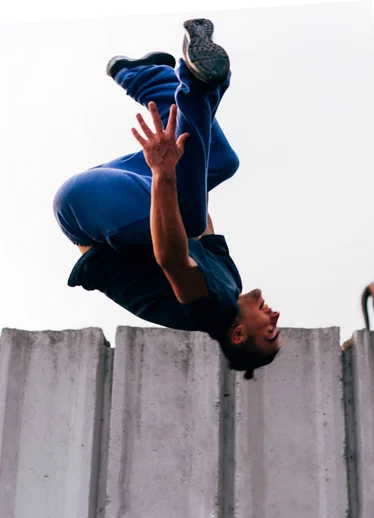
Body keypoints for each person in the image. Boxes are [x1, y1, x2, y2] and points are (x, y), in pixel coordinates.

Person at [53, 18, 281, 379]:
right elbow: (203, 220)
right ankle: (147, 75)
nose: (275, 317)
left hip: (87, 213)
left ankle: (197, 83)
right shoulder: (230, 282)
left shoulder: (209, 311)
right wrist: (193, 142)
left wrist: (164, 173)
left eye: (269, 330)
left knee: (187, 216)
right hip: (121, 192)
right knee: (222, 163)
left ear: (238, 334)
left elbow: (172, 256)